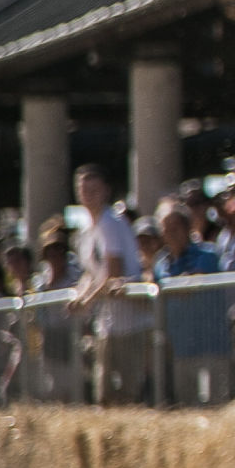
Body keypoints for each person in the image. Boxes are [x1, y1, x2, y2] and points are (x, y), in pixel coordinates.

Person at [68, 163, 155, 405]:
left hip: (130, 323)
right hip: (107, 322)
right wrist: (79, 295)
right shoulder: (87, 229)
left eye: (93, 190)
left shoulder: (110, 222)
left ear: (106, 191)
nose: (88, 195)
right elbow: (91, 273)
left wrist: (87, 301)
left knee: (129, 393)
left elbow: (113, 272)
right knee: (104, 395)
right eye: (83, 190)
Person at [150, 198, 232, 407]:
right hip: (181, 347)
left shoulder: (208, 254)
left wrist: (171, 288)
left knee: (216, 405)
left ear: (187, 227)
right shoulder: (160, 263)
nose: (171, 232)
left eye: (175, 226)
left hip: (212, 346)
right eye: (165, 228)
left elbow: (190, 284)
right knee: (187, 406)